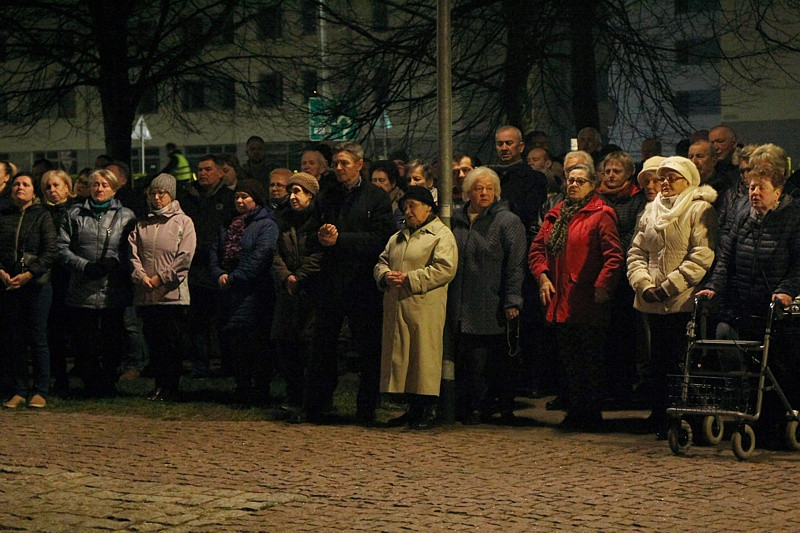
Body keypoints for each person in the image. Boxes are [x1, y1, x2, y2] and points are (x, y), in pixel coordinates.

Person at [301, 141, 395, 424]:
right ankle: (317, 405)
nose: (339, 168)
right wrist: (320, 238)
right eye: (337, 163)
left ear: (359, 165)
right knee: (322, 347)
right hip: (330, 283)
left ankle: (366, 408)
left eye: (345, 163)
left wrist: (341, 239)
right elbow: (309, 236)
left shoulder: (376, 197)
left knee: (367, 348)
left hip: (362, 283)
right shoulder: (327, 196)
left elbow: (381, 239)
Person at [628, 156, 718, 438]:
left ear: (688, 180)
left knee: (679, 360)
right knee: (656, 361)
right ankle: (659, 413)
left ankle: (680, 415)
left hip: (681, 301)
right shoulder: (651, 211)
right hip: (651, 301)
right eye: (662, 177)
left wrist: (669, 286)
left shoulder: (699, 209)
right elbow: (636, 253)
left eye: (672, 177)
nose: (665, 183)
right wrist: (643, 284)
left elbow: (702, 255)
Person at [529, 163, 624, 431]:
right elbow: (537, 249)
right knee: (569, 359)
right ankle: (575, 409)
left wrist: (603, 286)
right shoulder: (555, 215)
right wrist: (543, 276)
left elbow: (614, 255)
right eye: (570, 180)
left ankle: (590, 412)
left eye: (580, 181)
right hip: (561, 299)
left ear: (592, 185)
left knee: (589, 359)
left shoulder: (601, 215)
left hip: (587, 299)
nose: (573, 184)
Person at [448, 167, 526, 424]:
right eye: (478, 188)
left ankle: (490, 407)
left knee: (487, 360)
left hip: (491, 301)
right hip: (460, 302)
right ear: (468, 193)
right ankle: (465, 406)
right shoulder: (456, 220)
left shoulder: (507, 222)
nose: (484, 193)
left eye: (489, 189)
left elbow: (515, 264)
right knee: (465, 359)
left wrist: (512, 299)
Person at [374, 186, 458, 429]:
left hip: (424, 306)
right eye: (405, 207)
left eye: (413, 206)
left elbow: (445, 269)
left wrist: (411, 279)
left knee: (423, 358)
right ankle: (411, 408)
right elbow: (381, 262)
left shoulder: (441, 235)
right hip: (398, 304)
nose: (408, 212)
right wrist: (385, 276)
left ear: (428, 207)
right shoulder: (397, 237)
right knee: (403, 359)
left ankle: (427, 409)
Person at [58, 169, 136, 397]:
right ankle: (91, 382)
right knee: (85, 340)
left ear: (113, 188)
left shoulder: (126, 216)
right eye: (96, 185)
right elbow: (62, 247)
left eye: (104, 185)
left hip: (113, 288)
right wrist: (84, 265)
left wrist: (115, 263)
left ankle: (109, 380)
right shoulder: (74, 214)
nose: (99, 189)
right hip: (83, 287)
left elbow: (133, 248)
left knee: (113, 338)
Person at [129, 174, 196, 401]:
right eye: (153, 193)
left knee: (172, 343)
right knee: (154, 343)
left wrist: (160, 278)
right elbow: (133, 254)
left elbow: (184, 258)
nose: (157, 198)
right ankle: (159, 384)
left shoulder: (183, 222)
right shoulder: (142, 223)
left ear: (171, 195)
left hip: (172, 295)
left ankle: (171, 386)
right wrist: (141, 276)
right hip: (147, 294)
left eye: (162, 193)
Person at [210, 179, 278, 404]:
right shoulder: (228, 224)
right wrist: (219, 272)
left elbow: (262, 255)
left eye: (245, 197)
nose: (240, 201)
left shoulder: (266, 224)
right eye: (237, 196)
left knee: (255, 342)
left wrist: (236, 277)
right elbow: (215, 251)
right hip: (230, 291)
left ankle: (259, 389)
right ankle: (242, 385)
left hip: (254, 291)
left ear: (255, 199)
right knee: (236, 342)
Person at [1, 173, 57, 408]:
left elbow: (50, 251)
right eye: (16, 184)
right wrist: (2, 273)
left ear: (34, 191)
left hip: (36, 286)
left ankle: (40, 390)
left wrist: (28, 274)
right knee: (15, 339)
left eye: (25, 185)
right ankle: (19, 390)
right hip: (8, 285)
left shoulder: (43, 215)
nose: (20, 188)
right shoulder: (3, 216)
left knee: (37, 337)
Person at [178, 154, 237, 377]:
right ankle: (199, 365)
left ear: (221, 172)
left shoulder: (229, 198)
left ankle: (226, 365)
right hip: (194, 269)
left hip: (220, 268)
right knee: (197, 321)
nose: (202, 173)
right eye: (200, 169)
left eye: (208, 169)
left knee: (223, 320)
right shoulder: (188, 198)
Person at [597, 150, 647, 403]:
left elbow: (635, 233)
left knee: (626, 333)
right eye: (607, 171)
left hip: (626, 274)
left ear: (629, 174)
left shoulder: (637, 201)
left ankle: (625, 387)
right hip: (602, 273)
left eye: (616, 171)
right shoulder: (597, 198)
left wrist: (611, 244)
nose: (611, 176)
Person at [271, 173, 323, 408]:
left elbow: (320, 254)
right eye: (290, 191)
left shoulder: (319, 220)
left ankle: (309, 399)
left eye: (298, 192)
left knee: (308, 346)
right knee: (286, 344)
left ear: (310, 195)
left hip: (311, 290)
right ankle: (293, 394)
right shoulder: (283, 220)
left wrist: (299, 277)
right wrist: (286, 277)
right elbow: (274, 253)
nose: (292, 196)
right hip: (288, 290)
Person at [40, 170, 76, 396]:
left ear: (66, 187)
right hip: (48, 276)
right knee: (53, 329)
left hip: (70, 274)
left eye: (56, 185)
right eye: (47, 187)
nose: (52, 191)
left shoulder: (75, 211)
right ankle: (59, 376)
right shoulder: (40, 213)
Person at [370, 160, 404, 229]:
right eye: (374, 180)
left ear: (393, 183)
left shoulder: (401, 202)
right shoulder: (368, 200)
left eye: (382, 180)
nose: (377, 184)